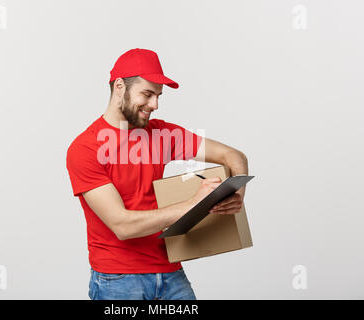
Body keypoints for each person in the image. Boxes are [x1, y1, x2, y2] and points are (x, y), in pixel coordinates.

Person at [66, 48, 249, 300]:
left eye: (159, 96)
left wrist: (236, 195)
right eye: (147, 94)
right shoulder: (85, 149)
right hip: (117, 280)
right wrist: (195, 204)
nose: (155, 105)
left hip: (170, 273)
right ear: (120, 86)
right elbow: (122, 226)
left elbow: (235, 157)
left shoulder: (162, 135)